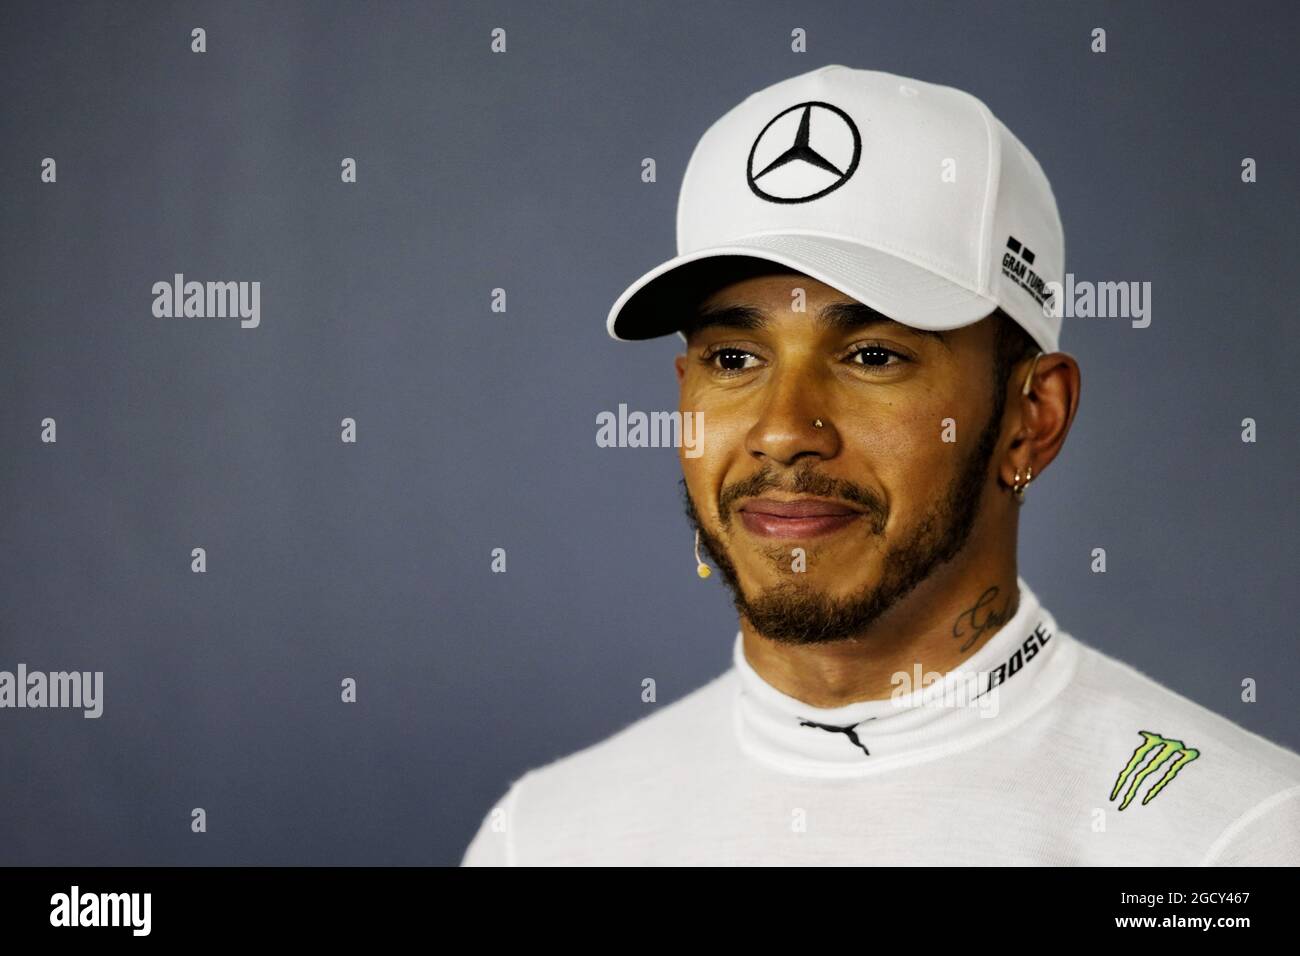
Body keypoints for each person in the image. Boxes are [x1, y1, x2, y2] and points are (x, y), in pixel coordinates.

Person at [461, 65, 1300, 865]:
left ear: (1031, 420)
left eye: (870, 354)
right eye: (733, 360)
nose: (784, 430)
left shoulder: (1231, 843)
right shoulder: (543, 837)